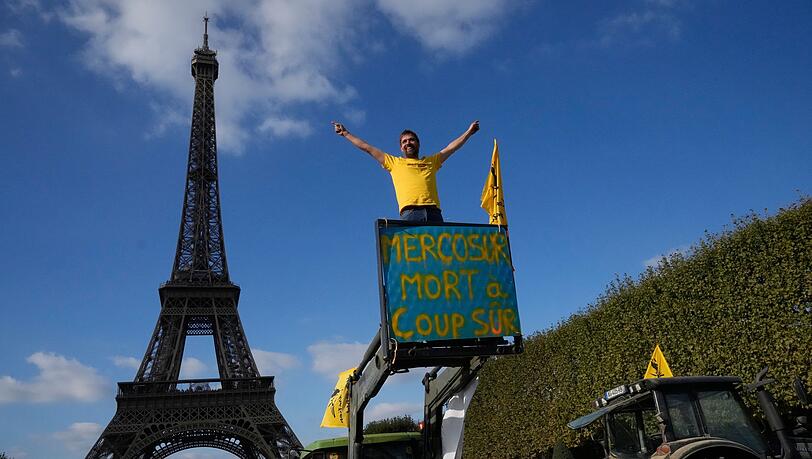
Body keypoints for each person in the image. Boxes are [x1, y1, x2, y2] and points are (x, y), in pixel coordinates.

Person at [332, 120, 480, 223]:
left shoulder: (430, 162)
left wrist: (469, 132)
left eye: (411, 140)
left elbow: (451, 148)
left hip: (434, 213)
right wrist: (345, 133)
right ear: (401, 147)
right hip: (410, 214)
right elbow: (367, 148)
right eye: (404, 141)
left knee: (437, 258)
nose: (408, 143)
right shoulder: (394, 162)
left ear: (418, 143)